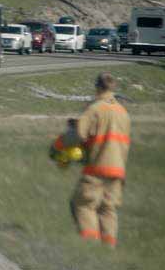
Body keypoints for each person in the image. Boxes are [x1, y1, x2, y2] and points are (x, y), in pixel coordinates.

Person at [70, 72, 131, 247]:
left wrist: (59, 145)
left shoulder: (95, 109)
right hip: (118, 170)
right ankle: (108, 250)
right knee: (108, 209)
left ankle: (91, 247)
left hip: (97, 169)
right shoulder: (123, 112)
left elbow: (79, 135)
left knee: (83, 205)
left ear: (97, 87)